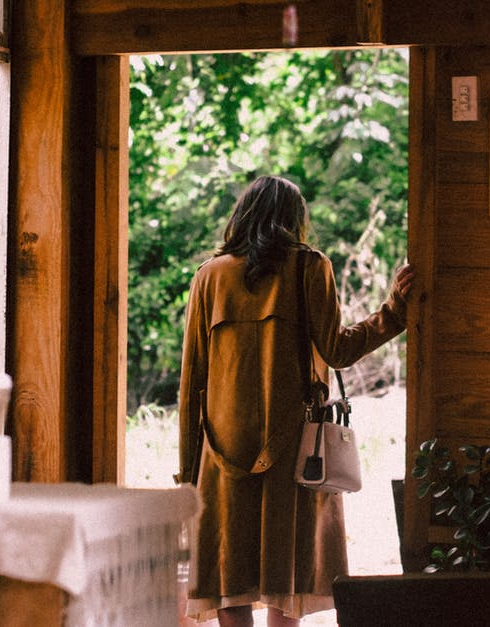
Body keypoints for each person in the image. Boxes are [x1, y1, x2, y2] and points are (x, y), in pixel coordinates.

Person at [178, 175, 414, 626]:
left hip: (221, 450)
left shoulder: (208, 276)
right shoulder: (310, 266)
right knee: (285, 579)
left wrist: (188, 471)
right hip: (294, 449)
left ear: (242, 216)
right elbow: (338, 351)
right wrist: (394, 312)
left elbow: (194, 382)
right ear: (294, 220)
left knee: (230, 573)